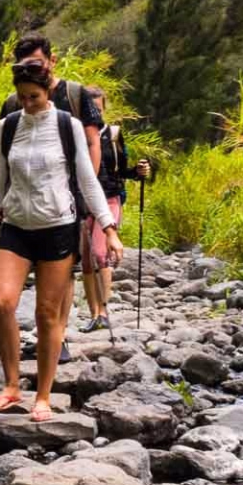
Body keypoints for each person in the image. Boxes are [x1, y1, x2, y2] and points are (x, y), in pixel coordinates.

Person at [0, 62, 124, 422]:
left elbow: (86, 180)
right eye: (22, 97)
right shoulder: (9, 127)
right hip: (16, 226)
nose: (27, 103)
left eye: (33, 97)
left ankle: (44, 396)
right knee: (1, 301)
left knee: (47, 314)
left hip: (57, 227)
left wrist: (109, 228)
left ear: (48, 92)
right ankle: (12, 385)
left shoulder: (68, 126)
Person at [0, 36, 103, 358]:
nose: (30, 70)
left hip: (67, 197)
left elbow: (92, 142)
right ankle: (45, 337)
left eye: (35, 64)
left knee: (64, 268)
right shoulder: (14, 103)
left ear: (51, 61)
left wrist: (85, 193)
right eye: (23, 66)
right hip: (23, 201)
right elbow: (7, 155)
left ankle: (59, 337)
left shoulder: (74, 94)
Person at [80, 122, 154, 332]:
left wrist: (139, 172)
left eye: (97, 108)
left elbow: (122, 171)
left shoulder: (113, 135)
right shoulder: (74, 131)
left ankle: (103, 314)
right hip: (83, 202)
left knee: (100, 253)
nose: (93, 113)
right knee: (86, 259)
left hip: (110, 199)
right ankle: (94, 313)